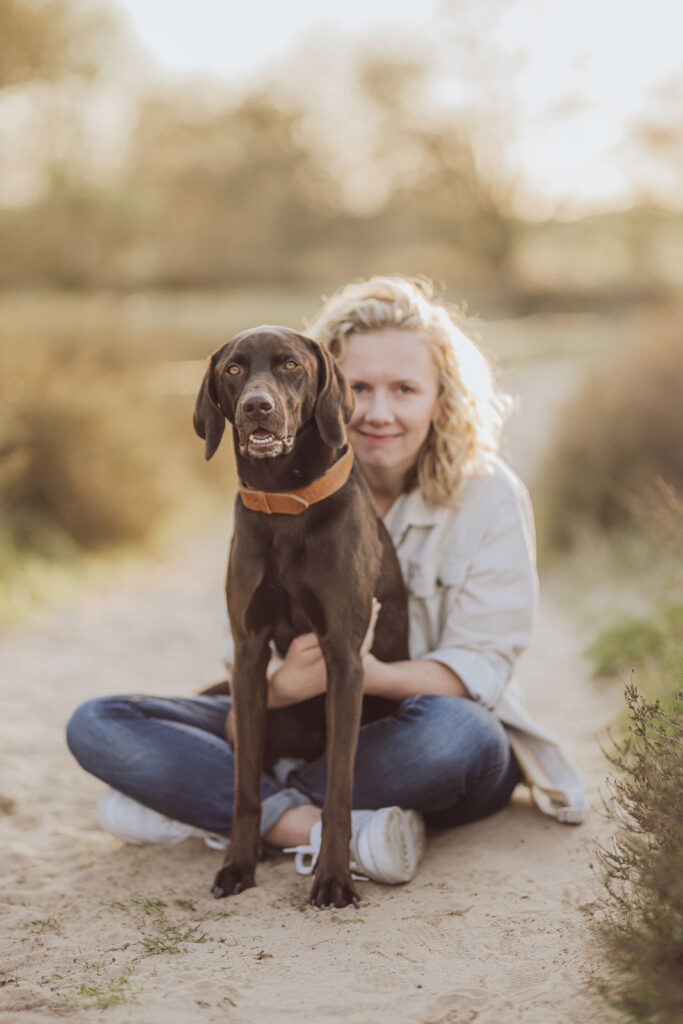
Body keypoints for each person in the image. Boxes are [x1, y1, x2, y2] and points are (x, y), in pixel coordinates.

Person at [66, 276, 587, 887]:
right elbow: (250, 661)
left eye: (405, 390)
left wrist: (367, 670)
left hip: (411, 728)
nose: (377, 412)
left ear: (441, 401)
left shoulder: (488, 496)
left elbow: (485, 667)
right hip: (292, 715)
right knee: (99, 722)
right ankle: (307, 825)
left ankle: (211, 804)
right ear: (328, 395)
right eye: (359, 388)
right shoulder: (274, 494)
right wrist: (284, 689)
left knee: (460, 736)